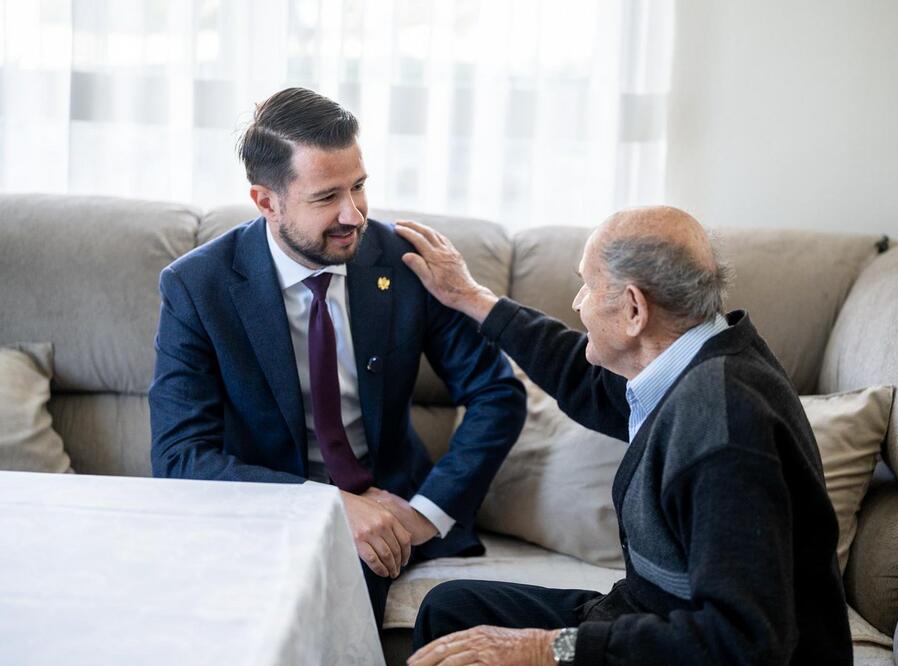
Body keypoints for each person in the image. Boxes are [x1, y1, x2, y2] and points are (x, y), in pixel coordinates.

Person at [395, 207, 852, 665]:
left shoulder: (724, 429)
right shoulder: (694, 356)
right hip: (653, 618)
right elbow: (584, 378)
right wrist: (471, 297)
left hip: (701, 649)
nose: (577, 303)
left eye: (588, 286)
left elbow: (741, 641)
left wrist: (549, 649)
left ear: (634, 309)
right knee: (451, 612)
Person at [148, 87, 526, 625]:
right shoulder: (197, 286)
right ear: (266, 201)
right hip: (266, 510)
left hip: (392, 509)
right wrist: (322, 509)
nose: (354, 214)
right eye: (327, 198)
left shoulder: (404, 261)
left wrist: (424, 514)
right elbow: (180, 456)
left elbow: (497, 393)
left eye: (360, 186)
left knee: (340, 583)